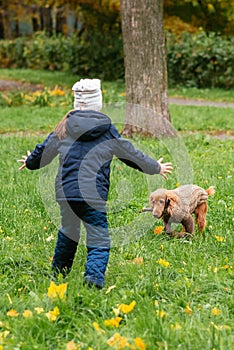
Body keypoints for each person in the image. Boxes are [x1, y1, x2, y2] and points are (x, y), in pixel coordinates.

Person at [18, 78, 173, 289]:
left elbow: (44, 151)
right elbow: (130, 154)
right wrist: (155, 166)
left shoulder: (64, 126)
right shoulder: (107, 129)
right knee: (98, 238)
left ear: (76, 103)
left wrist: (29, 161)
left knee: (68, 232)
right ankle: (93, 279)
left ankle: (59, 273)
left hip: (67, 194)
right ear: (97, 103)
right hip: (93, 195)